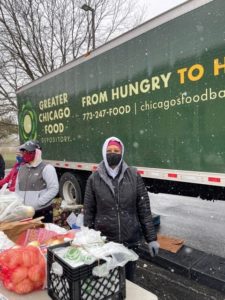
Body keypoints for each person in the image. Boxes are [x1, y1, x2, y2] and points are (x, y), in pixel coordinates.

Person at [83, 136, 159, 281]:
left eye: (116, 150)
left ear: (122, 152)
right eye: (109, 150)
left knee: (128, 282)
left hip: (130, 240)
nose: (113, 153)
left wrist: (151, 238)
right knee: (107, 282)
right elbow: (89, 212)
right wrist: (89, 240)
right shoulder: (94, 179)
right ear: (104, 152)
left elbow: (144, 209)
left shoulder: (134, 175)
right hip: (105, 242)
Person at [15, 140, 59, 223]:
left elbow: (54, 188)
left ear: (37, 152)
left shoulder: (47, 168)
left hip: (41, 212)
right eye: (23, 151)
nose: (25, 154)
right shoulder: (22, 168)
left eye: (27, 151)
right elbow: (17, 188)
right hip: (24, 212)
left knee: (43, 235)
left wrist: (39, 203)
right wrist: (18, 204)